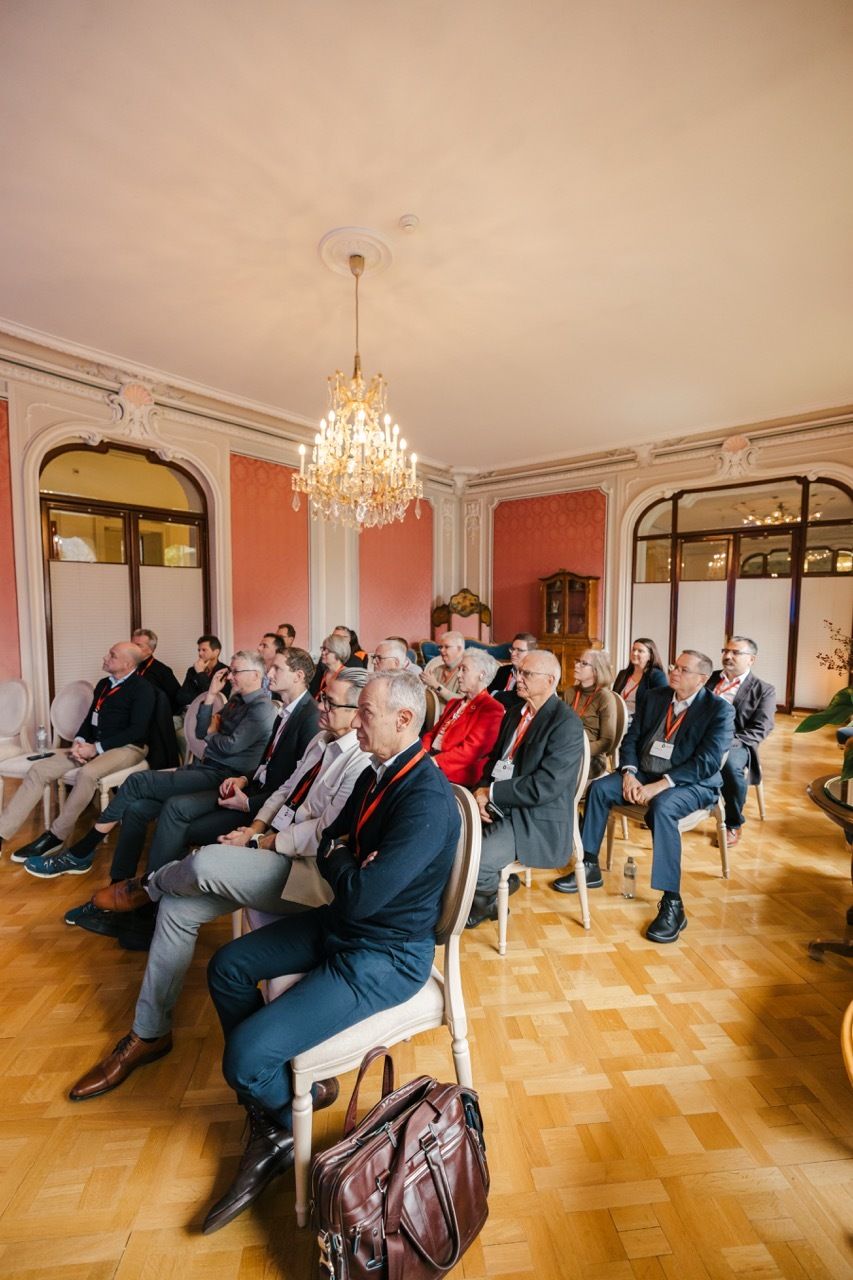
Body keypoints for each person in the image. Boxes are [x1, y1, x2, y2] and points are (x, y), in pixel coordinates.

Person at [196, 671, 460, 1234]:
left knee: (241, 1058)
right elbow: (328, 841)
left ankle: (272, 1106)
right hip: (346, 924)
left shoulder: (428, 800)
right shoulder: (374, 772)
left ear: (404, 720)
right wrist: (347, 860)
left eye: (365, 713)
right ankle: (280, 1115)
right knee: (227, 966)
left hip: (386, 957)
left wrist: (344, 860)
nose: (354, 722)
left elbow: (359, 890)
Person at [66, 668, 372, 1102]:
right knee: (177, 910)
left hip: (305, 874)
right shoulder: (321, 741)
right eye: (322, 699)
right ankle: (149, 1033)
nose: (321, 707)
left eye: (331, 702)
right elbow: (286, 791)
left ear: (358, 712)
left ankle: (148, 885)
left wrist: (262, 841)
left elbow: (322, 833)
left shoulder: (360, 761)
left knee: (206, 860)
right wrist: (254, 829)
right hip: (271, 845)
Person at [64, 648, 321, 934]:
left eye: (277, 669)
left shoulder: (301, 715)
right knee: (138, 808)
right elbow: (250, 757)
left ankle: (145, 900)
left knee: (166, 805)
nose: (269, 674)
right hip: (236, 784)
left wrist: (248, 800)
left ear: (298, 676)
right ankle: (126, 890)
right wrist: (243, 778)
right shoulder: (276, 709)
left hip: (252, 803)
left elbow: (293, 784)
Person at [36, 652, 276, 880]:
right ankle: (120, 882)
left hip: (223, 777)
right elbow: (201, 731)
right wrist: (211, 696)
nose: (230, 676)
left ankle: (82, 852)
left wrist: (213, 733)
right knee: (136, 808)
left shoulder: (262, 708)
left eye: (235, 671)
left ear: (255, 675)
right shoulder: (236, 700)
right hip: (205, 768)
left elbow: (230, 746)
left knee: (137, 781)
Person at [556, 650, 734, 944]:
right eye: (675, 666)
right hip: (644, 774)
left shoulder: (719, 710)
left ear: (702, 679)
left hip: (690, 783)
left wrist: (662, 784)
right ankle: (589, 865)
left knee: (662, 808)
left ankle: (672, 903)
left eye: (684, 669)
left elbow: (707, 762)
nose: (674, 671)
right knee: (599, 789)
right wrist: (629, 772)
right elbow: (632, 739)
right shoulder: (655, 697)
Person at [2, 642, 155, 866]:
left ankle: (56, 836)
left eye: (112, 655)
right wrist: (80, 741)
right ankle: (2, 832)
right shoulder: (104, 684)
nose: (105, 657)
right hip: (93, 745)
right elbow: (89, 719)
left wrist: (96, 748)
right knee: (39, 769)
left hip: (129, 747)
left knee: (87, 773)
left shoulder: (143, 689)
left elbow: (137, 730)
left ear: (127, 664)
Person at [465, 650, 585, 928]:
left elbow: (546, 786)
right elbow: (494, 761)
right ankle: (487, 891)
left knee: (478, 861)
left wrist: (491, 793)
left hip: (533, 816)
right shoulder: (514, 713)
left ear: (550, 680)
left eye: (527, 674)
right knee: (452, 838)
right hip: (500, 804)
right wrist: (482, 791)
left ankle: (486, 903)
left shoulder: (566, 723)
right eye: (519, 672)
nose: (518, 678)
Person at [706, 636, 776, 844]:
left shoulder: (763, 690)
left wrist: (729, 742)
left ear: (751, 659)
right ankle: (668, 807)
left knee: (729, 766)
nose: (728, 656)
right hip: (701, 736)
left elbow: (762, 727)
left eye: (735, 652)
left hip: (736, 741)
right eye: (726, 651)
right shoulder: (709, 679)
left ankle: (733, 823)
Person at [422, 649, 505, 786]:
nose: (458, 675)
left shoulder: (492, 708)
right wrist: (422, 753)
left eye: (464, 670)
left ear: (481, 674)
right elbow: (432, 734)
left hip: (455, 773)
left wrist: (433, 761)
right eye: (459, 669)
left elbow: (471, 751)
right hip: (432, 760)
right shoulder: (454, 703)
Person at [566, 649, 618, 780]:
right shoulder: (570, 692)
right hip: (566, 749)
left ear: (596, 670)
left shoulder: (605, 698)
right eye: (578, 661)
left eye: (583, 663)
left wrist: (578, 749)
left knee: (559, 767)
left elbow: (607, 742)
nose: (577, 665)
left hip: (592, 757)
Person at [612, 637, 668, 719]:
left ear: (650, 656)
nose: (634, 653)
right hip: (617, 718)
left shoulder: (657, 676)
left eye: (640, 651)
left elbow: (660, 705)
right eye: (633, 650)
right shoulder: (623, 674)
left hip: (639, 721)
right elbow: (614, 697)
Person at [176, 634, 231, 711]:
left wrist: (200, 673)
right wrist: (203, 696)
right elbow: (181, 698)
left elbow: (217, 699)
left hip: (214, 713)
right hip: (191, 711)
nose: (200, 653)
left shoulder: (225, 671)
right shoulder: (192, 670)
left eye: (204, 650)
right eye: (199, 650)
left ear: (216, 652)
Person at [132, 629, 181, 712]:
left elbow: (176, 700)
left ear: (151, 650)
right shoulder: (126, 666)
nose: (133, 648)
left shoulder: (163, 671)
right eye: (132, 644)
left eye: (138, 645)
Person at [488, 633, 537, 708]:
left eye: (519, 650)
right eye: (513, 649)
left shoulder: (533, 674)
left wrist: (497, 694)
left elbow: (520, 700)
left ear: (531, 653)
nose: (513, 653)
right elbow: (488, 692)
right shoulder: (503, 670)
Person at [421, 631, 465, 705]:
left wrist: (436, 685)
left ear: (459, 649)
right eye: (440, 647)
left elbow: (461, 701)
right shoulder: (437, 669)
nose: (441, 650)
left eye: (446, 647)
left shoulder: (466, 672)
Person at [308, 633, 350, 700]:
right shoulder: (323, 672)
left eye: (327, 650)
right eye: (323, 649)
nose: (323, 653)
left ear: (338, 652)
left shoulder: (347, 675)